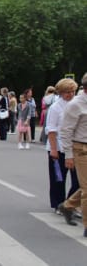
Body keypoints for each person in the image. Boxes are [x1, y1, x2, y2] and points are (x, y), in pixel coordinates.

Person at [58, 73, 87, 237]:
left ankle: (67, 205)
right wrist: (68, 155)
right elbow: (66, 131)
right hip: (81, 149)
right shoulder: (76, 105)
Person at [45, 78, 79, 215]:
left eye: (72, 91)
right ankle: (58, 203)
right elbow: (51, 129)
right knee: (58, 179)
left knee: (78, 180)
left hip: (74, 147)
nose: (70, 94)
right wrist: (53, 149)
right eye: (67, 92)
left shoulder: (77, 104)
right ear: (60, 92)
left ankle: (70, 203)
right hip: (58, 147)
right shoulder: (55, 107)